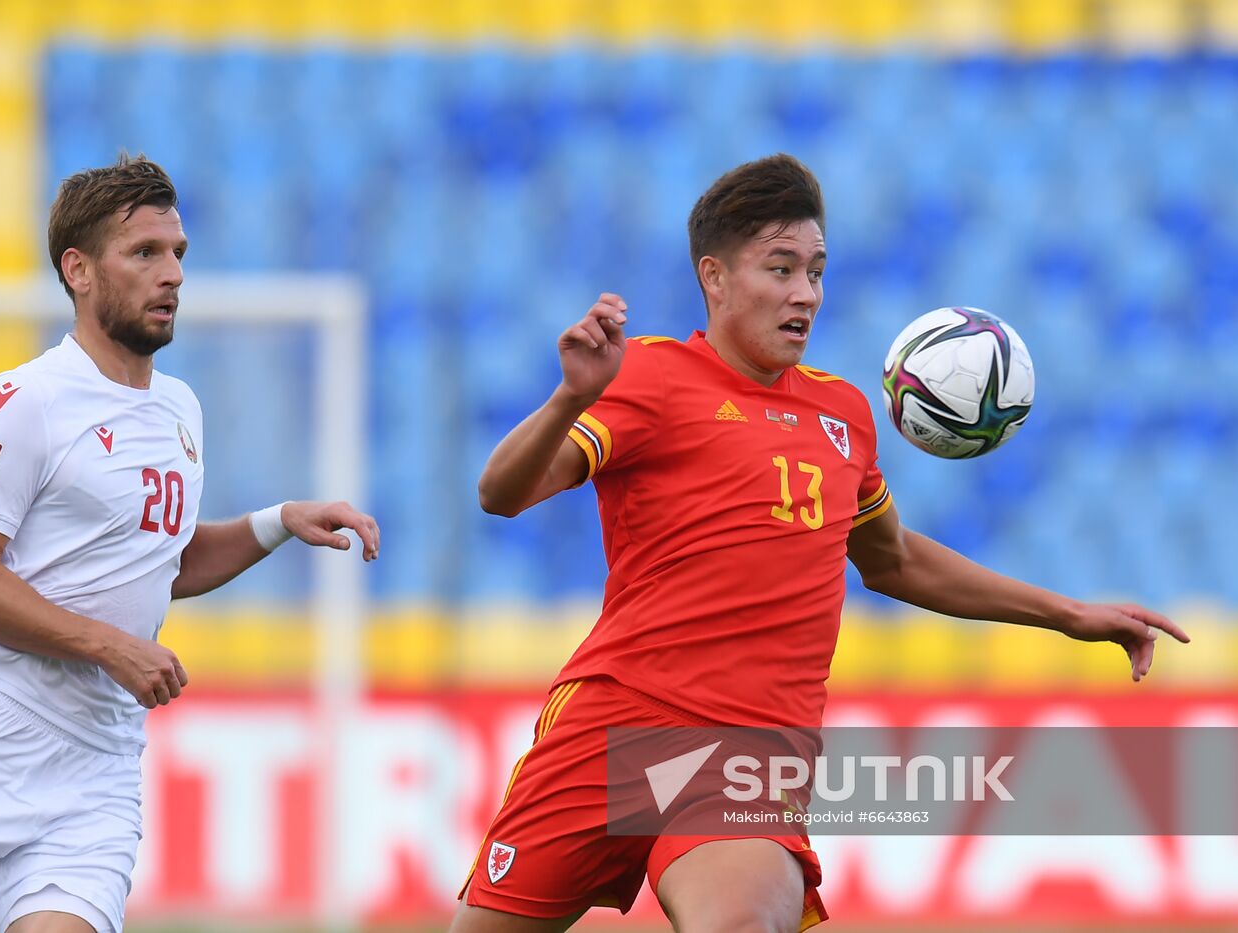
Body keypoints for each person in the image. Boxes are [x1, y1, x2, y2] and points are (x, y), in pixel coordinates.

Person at [453, 153, 1188, 933]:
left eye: (816, 271)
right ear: (716, 277)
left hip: (746, 755)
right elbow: (501, 494)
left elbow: (892, 558)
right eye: (780, 268)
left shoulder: (843, 414)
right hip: (609, 730)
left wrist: (1067, 613)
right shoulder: (648, 378)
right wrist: (573, 394)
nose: (805, 293)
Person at [0, 154, 379, 933]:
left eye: (178, 254)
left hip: (94, 769)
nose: (170, 274)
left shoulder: (179, 410)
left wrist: (274, 522)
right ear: (80, 270)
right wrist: (110, 646)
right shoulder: (22, 401)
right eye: (144, 253)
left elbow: (157, 566)